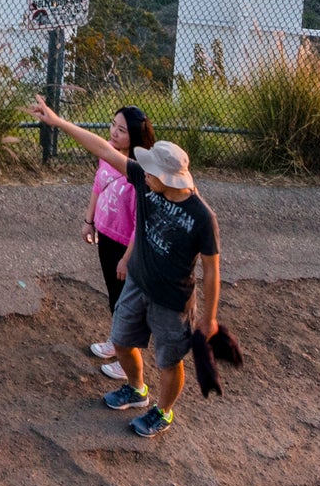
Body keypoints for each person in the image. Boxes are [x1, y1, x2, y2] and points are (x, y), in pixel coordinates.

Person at [32, 99, 221, 439]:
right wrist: (59, 123)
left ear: (167, 177)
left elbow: (211, 269)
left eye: (150, 172)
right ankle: (137, 389)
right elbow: (104, 149)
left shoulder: (201, 217)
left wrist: (208, 318)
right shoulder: (144, 180)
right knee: (120, 340)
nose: (142, 173)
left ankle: (163, 411)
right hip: (137, 283)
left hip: (172, 300)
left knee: (168, 361)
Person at [84, 107, 156, 380]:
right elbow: (97, 186)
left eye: (122, 130)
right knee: (115, 297)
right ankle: (118, 343)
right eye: (113, 125)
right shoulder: (108, 156)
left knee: (128, 304)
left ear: (136, 135)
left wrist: (127, 258)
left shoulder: (142, 173)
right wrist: (88, 220)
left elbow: (142, 222)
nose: (114, 132)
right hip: (107, 238)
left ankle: (129, 360)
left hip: (127, 247)